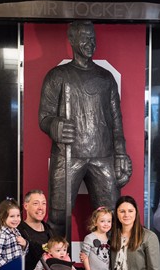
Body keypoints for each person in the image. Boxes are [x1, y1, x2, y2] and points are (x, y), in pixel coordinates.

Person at [38, 20, 133, 239]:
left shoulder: (106, 78)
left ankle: (110, 260)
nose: (90, 43)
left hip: (103, 156)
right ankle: (57, 259)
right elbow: (44, 117)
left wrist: (120, 154)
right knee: (58, 217)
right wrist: (54, 125)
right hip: (67, 155)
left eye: (93, 38)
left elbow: (116, 121)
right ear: (72, 40)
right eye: (84, 38)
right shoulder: (57, 76)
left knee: (110, 217)